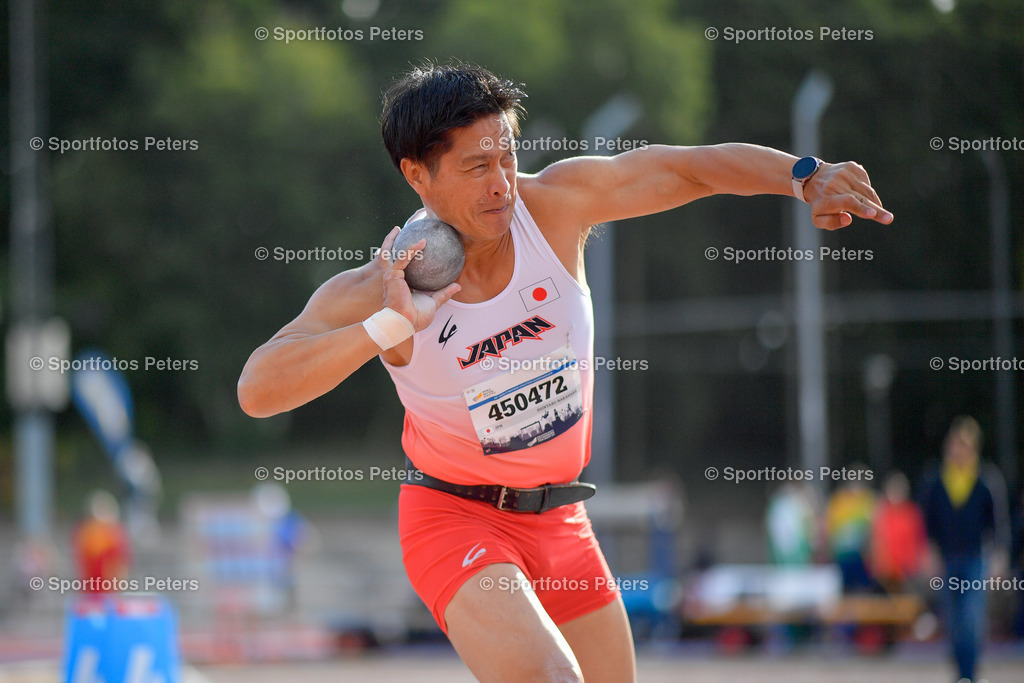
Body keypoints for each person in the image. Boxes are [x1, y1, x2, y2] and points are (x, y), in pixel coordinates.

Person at [237, 62, 893, 682]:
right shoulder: (384, 288)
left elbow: (685, 169)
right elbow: (258, 389)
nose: (502, 184)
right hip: (456, 519)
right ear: (417, 175)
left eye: (506, 157)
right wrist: (388, 327)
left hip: (561, 520)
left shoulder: (552, 207)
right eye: (476, 167)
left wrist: (805, 175)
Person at [921, 416, 1010, 683]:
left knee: (971, 619)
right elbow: (928, 521)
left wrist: (999, 557)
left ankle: (970, 674)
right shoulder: (937, 479)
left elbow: (998, 523)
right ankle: (960, 674)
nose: (958, 450)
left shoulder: (985, 479)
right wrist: (929, 551)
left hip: (975, 559)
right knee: (952, 620)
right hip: (947, 559)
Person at [869, 471, 926, 592]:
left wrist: (911, 566)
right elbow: (877, 541)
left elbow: (917, 541)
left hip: (906, 571)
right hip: (884, 572)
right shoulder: (882, 512)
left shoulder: (911, 513)